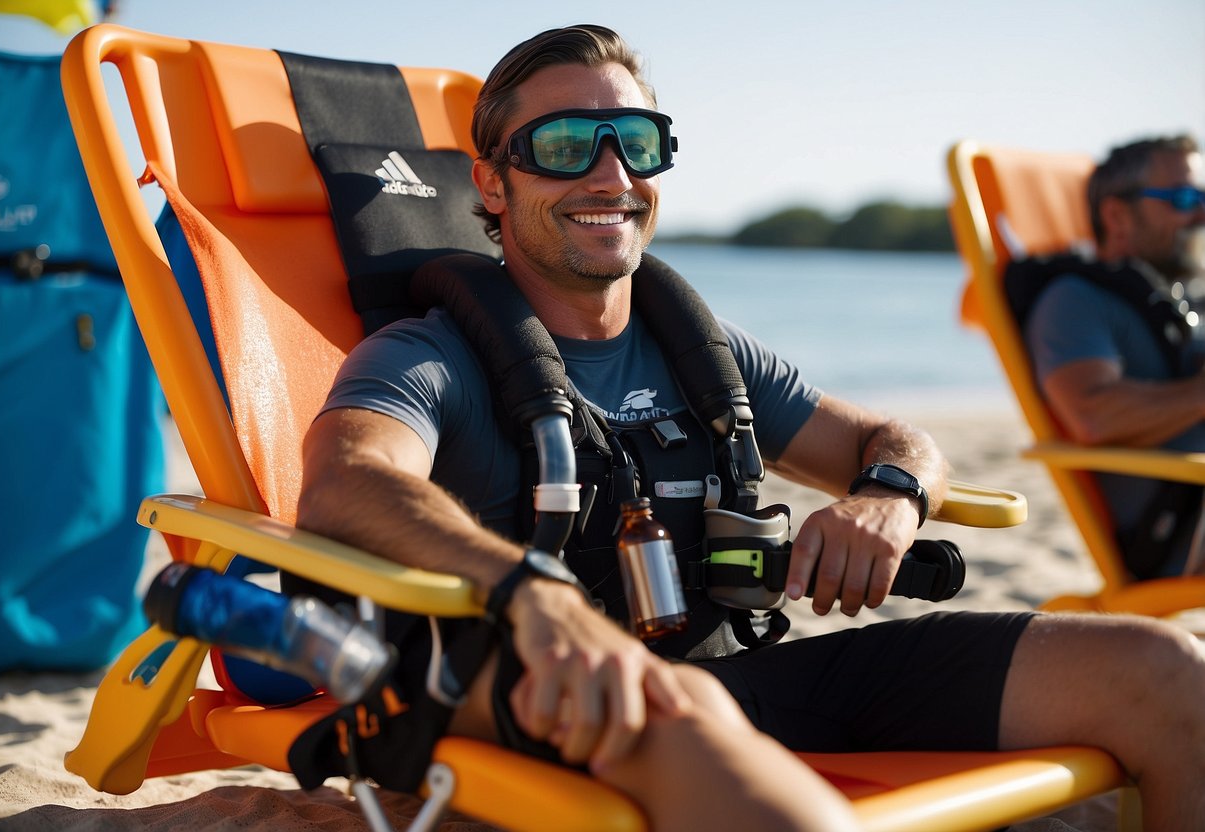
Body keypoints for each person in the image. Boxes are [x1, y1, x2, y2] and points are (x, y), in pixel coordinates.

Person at [297, 25, 1205, 831]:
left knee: (1163, 668)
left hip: (741, 676)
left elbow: (896, 440)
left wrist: (886, 501)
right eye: (564, 146)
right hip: (568, 694)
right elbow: (346, 480)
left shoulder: (705, 354)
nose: (609, 176)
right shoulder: (430, 355)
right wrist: (532, 594)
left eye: (635, 143)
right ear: (491, 185)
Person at [1024, 135, 1205, 578]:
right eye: (1184, 198)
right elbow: (1092, 416)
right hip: (1179, 536)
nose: (1200, 214)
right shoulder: (1074, 300)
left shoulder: (1180, 299)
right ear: (1117, 214)